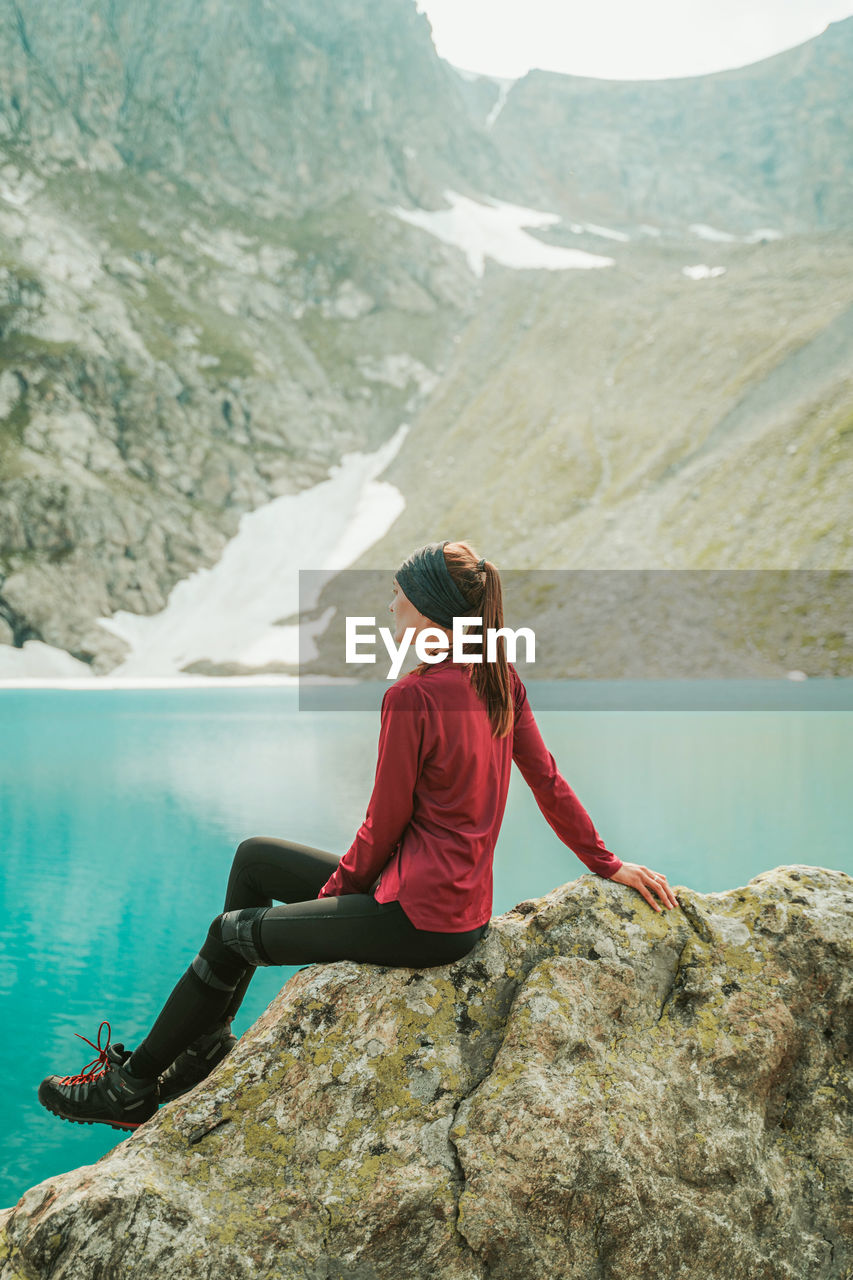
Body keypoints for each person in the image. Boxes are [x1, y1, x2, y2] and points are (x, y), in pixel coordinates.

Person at [38, 539, 679, 1131]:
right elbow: (548, 781)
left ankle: (132, 1086)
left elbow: (384, 824)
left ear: (427, 610)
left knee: (229, 935)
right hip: (459, 912)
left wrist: (335, 897)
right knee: (254, 859)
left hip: (414, 920)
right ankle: (205, 1043)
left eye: (400, 594)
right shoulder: (499, 682)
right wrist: (607, 863)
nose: (392, 605)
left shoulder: (414, 697)